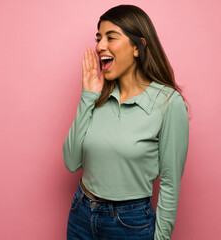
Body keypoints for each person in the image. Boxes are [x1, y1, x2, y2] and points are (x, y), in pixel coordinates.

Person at [62, 4, 190, 240]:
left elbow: (170, 185)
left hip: (129, 224)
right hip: (81, 214)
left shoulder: (168, 103)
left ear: (137, 48)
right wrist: (87, 96)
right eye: (99, 38)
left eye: (111, 37)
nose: (100, 46)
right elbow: (71, 162)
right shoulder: (98, 96)